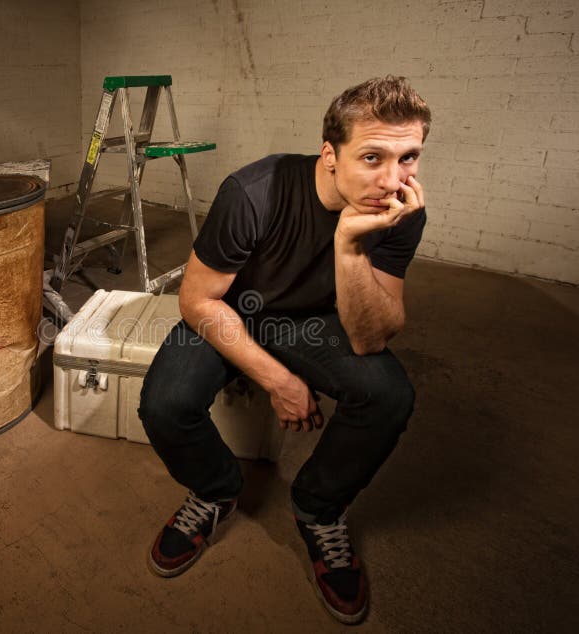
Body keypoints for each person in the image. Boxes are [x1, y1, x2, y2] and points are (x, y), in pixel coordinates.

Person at [138, 75, 430, 625]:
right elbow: (198, 300)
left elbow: (370, 337)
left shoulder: (398, 211)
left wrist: (349, 245)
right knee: (165, 405)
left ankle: (319, 510)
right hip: (235, 308)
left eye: (408, 157)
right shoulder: (255, 192)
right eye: (372, 157)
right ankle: (217, 490)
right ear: (330, 154)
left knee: (388, 395)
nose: (393, 180)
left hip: (318, 320)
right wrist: (281, 381)